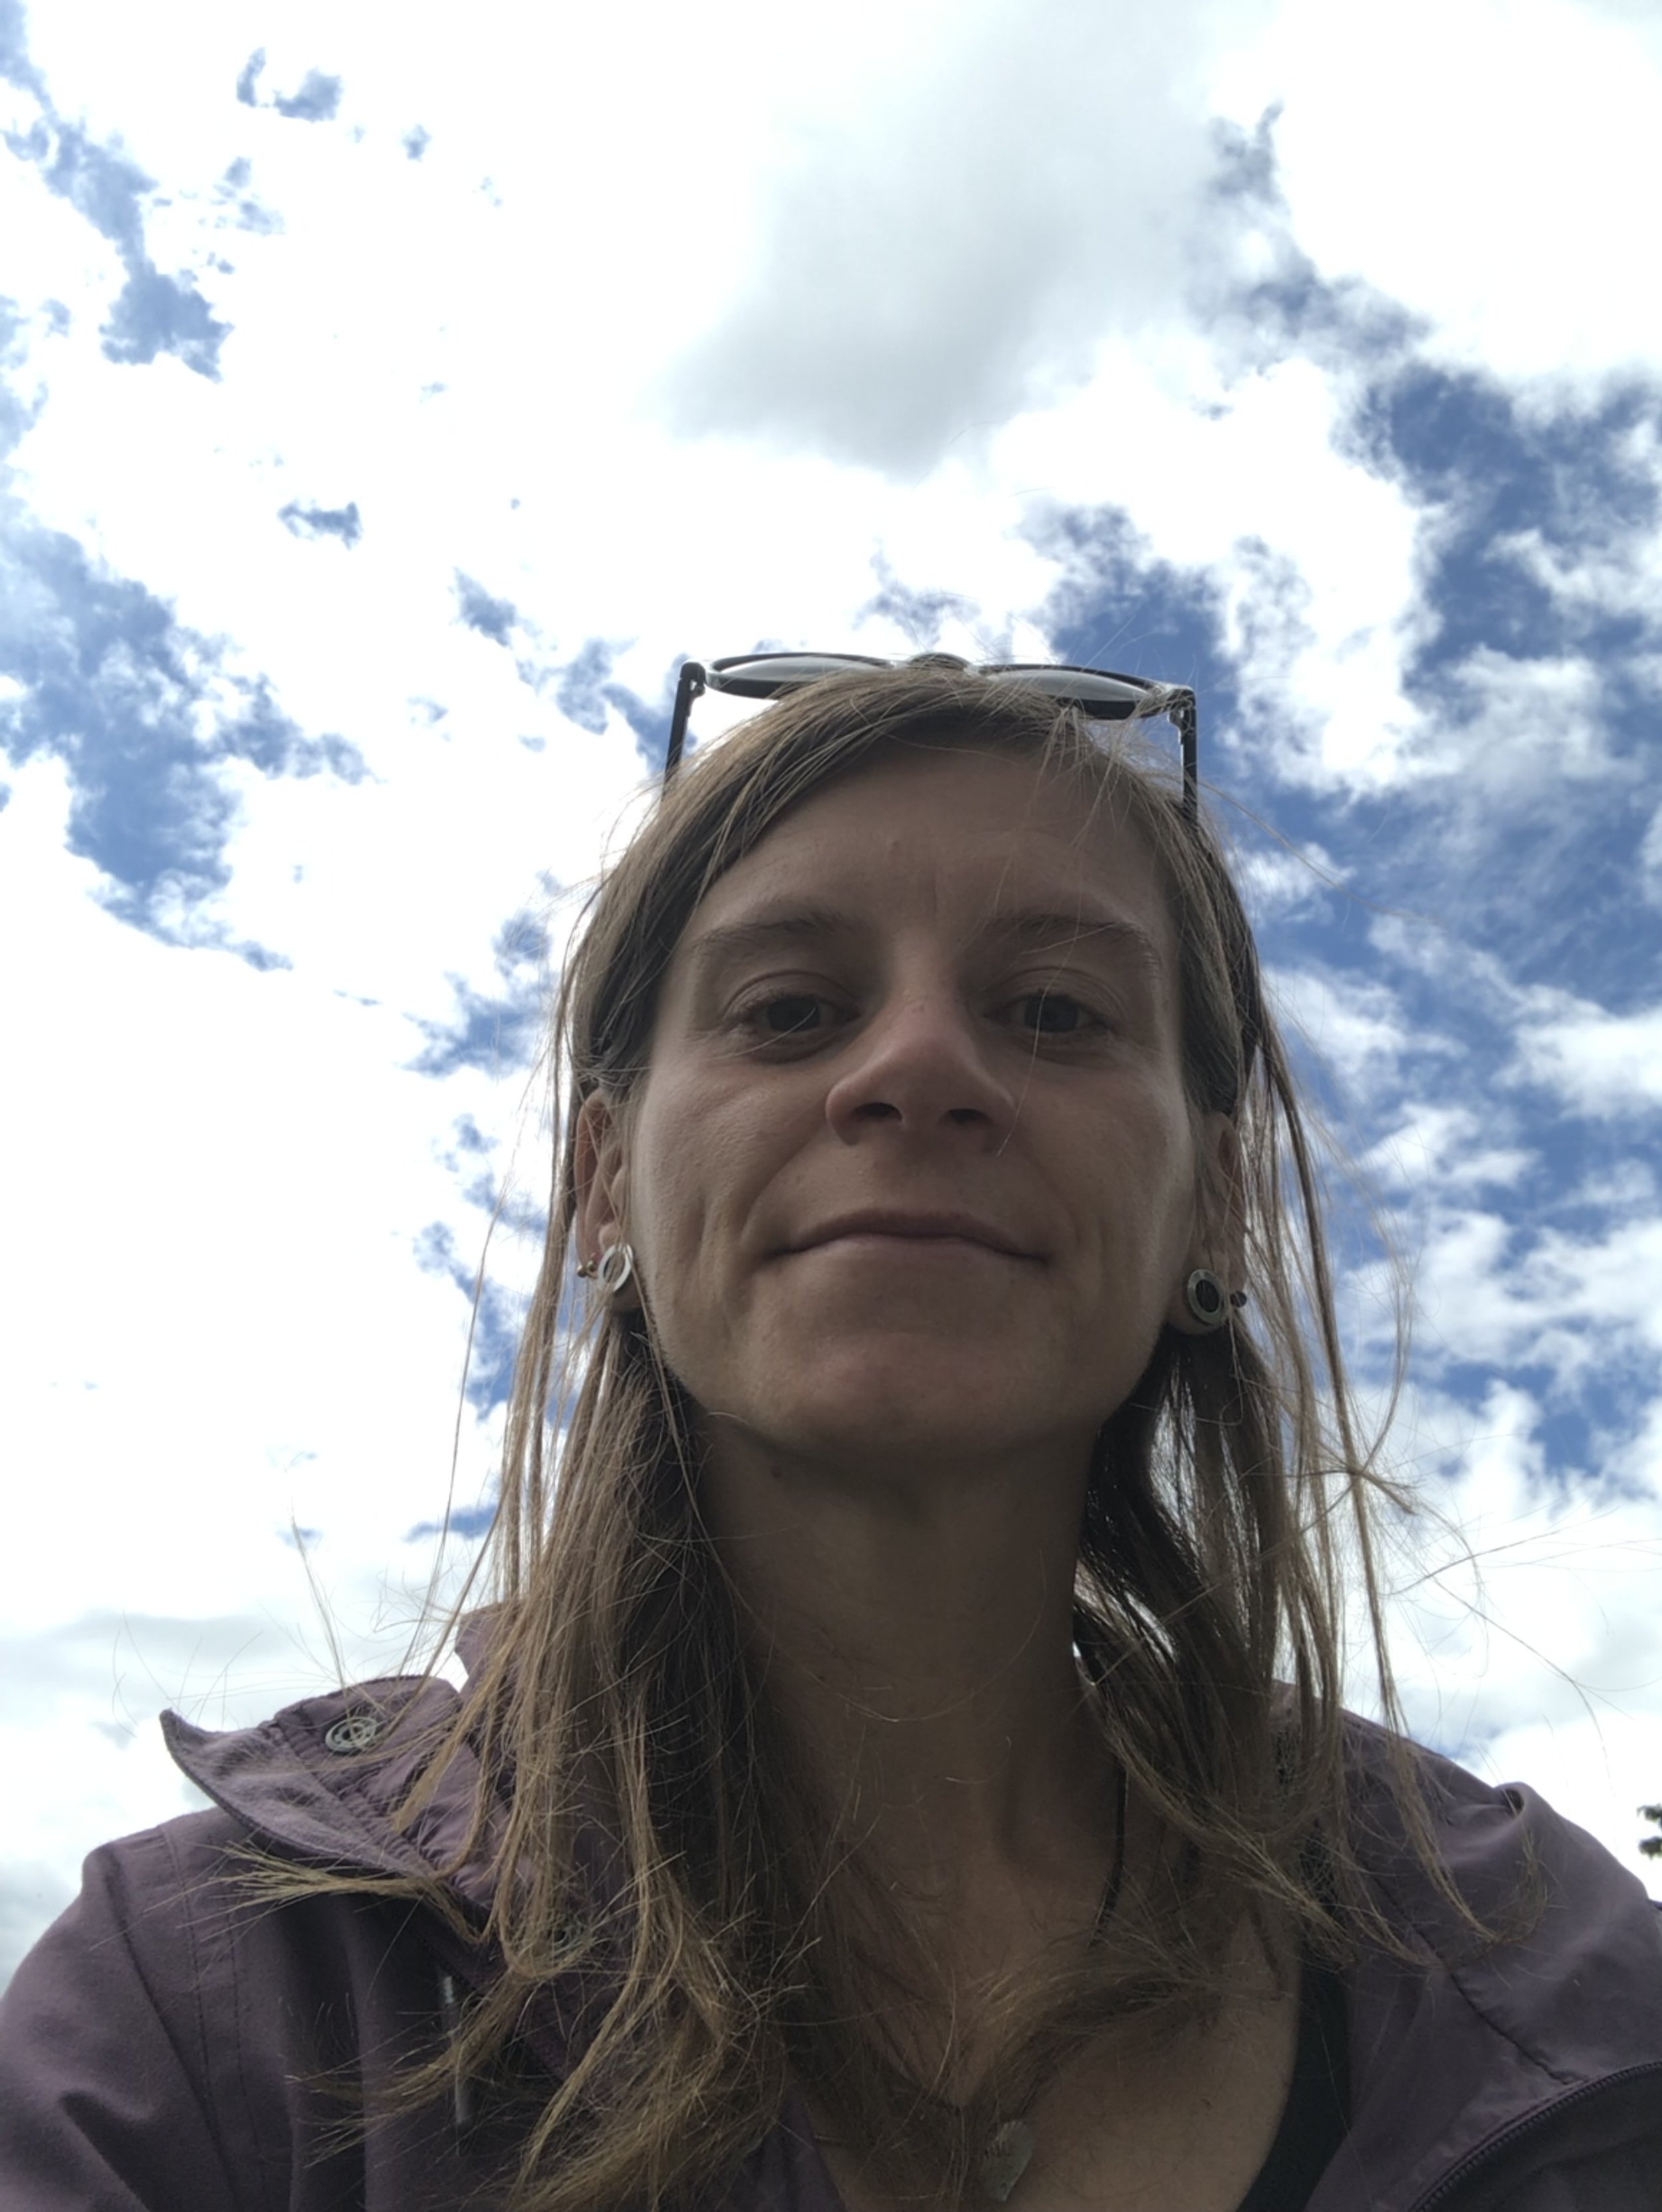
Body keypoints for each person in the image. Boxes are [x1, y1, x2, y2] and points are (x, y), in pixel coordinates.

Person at [2, 655, 1659, 2212]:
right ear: (600, 1180)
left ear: (1209, 1201)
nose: (919, 1065)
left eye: (1059, 1010)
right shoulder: (212, 1992)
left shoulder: (1537, 1969)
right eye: (789, 1008)